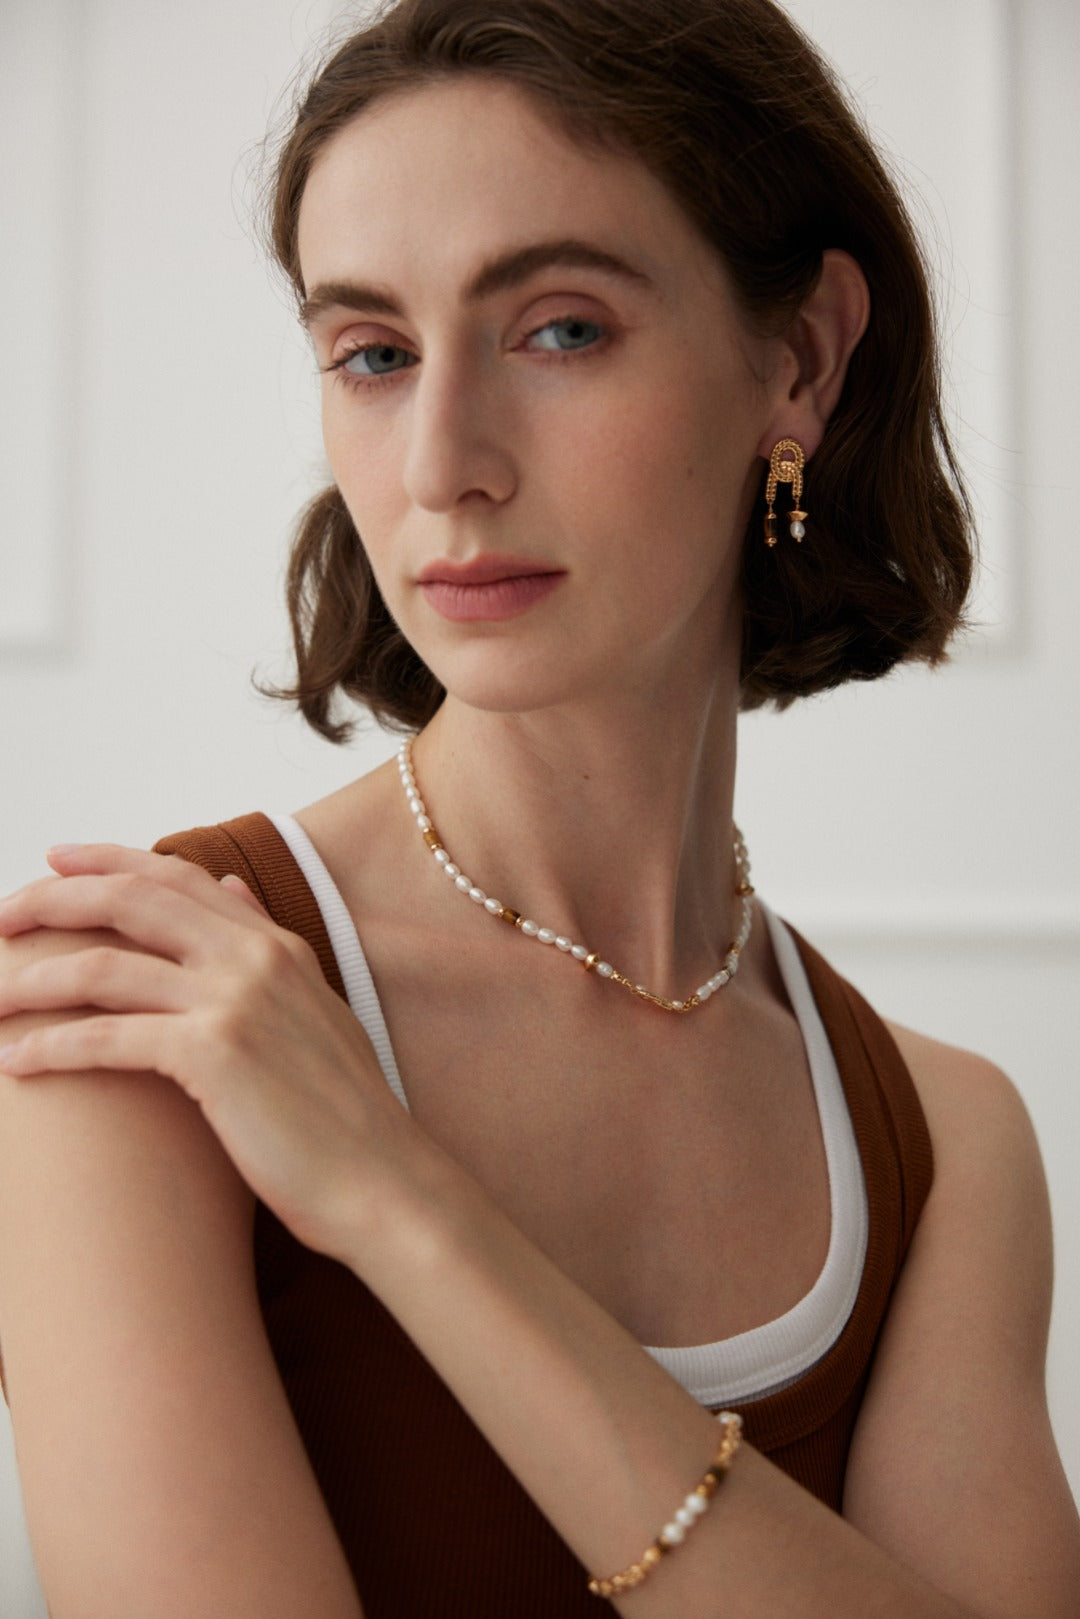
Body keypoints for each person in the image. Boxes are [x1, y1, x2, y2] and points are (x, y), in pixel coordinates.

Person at [0, 0, 1077, 1613]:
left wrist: (400, 1200)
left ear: (799, 361)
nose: (443, 464)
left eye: (559, 328)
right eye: (372, 354)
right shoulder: (149, 1018)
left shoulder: (943, 1148)